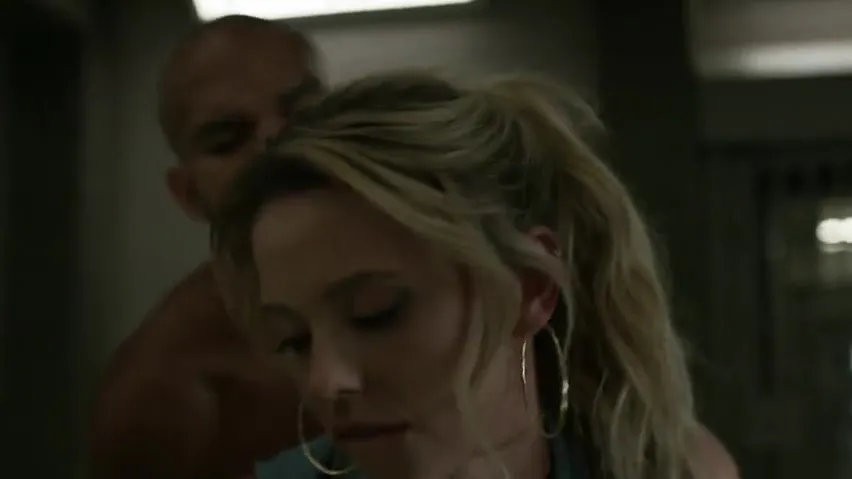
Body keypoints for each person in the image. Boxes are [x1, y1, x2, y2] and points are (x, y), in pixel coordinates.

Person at [209, 70, 740, 479]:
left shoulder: (671, 470)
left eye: (377, 314)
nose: (326, 381)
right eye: (294, 340)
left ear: (529, 287)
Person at [88, 15, 322, 479]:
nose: (278, 143)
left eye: (303, 112)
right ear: (189, 194)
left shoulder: (431, 278)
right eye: (228, 138)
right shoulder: (164, 388)